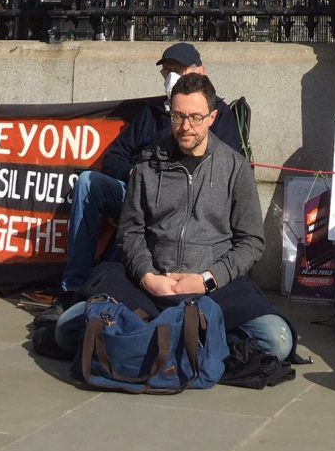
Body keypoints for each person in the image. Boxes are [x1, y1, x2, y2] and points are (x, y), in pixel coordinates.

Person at [55, 72, 292, 362]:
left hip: (211, 289)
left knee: (276, 341)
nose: (186, 127)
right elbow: (130, 232)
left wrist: (207, 279)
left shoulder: (235, 168)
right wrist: (147, 277)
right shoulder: (147, 165)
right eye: (178, 116)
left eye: (195, 117)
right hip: (149, 285)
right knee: (65, 331)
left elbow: (251, 242)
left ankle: (168, 337)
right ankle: (183, 339)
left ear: (212, 118)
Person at [60, 41, 243, 300]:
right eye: (167, 72)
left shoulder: (218, 115)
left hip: (185, 202)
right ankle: (73, 287)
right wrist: (135, 177)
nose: (172, 78)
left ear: (199, 72)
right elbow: (114, 157)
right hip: (138, 191)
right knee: (88, 183)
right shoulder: (152, 111)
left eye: (178, 70)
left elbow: (229, 171)